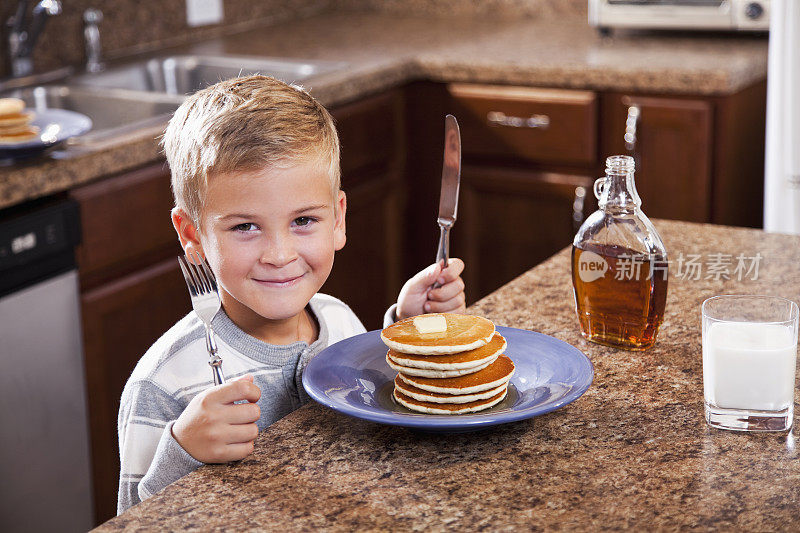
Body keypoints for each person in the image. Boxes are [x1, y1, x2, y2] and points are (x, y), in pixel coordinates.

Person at [117, 75, 467, 514]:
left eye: (303, 221)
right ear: (193, 235)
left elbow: (378, 418)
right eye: (245, 227)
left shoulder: (339, 321)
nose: (280, 255)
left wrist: (406, 328)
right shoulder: (163, 383)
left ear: (338, 219)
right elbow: (133, 519)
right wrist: (182, 449)